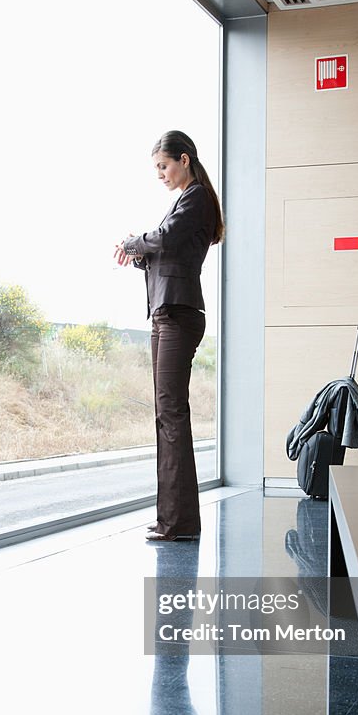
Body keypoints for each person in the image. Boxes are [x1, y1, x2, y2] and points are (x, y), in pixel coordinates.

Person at [114, 131, 224, 541]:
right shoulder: (187, 200)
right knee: (167, 415)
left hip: (178, 315)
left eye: (164, 166)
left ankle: (177, 522)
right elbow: (168, 253)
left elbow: (167, 238)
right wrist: (139, 256)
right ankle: (174, 519)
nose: (160, 174)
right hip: (168, 312)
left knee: (171, 414)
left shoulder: (195, 197)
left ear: (184, 159)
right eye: (157, 169)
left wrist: (133, 241)